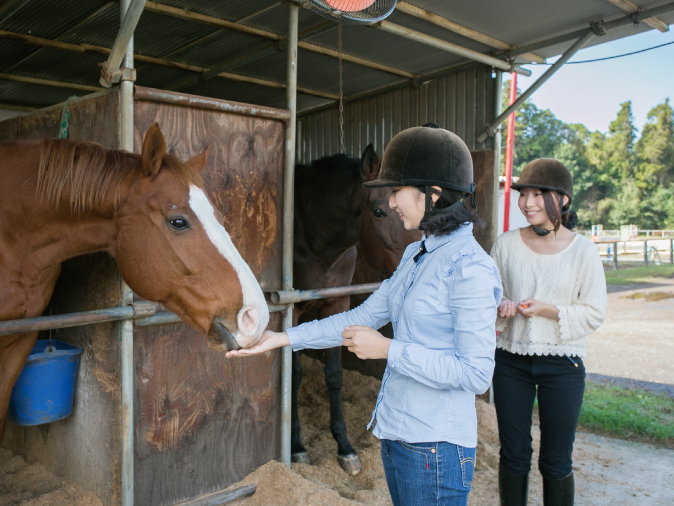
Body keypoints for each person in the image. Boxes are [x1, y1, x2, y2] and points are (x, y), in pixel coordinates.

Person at [228, 124, 502, 506]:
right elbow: (357, 318)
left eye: (398, 192)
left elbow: (475, 374)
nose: (391, 203)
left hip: (436, 448)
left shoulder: (470, 268)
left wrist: (389, 349)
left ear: (432, 194)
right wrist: (282, 338)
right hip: (397, 436)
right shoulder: (416, 255)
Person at [490, 159, 607, 506]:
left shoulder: (584, 252)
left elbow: (595, 312)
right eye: (524, 194)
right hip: (511, 361)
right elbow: (489, 296)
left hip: (564, 365)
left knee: (555, 461)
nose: (528, 202)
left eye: (539, 194)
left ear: (563, 200)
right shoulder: (505, 245)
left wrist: (547, 310)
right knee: (513, 454)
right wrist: (502, 306)